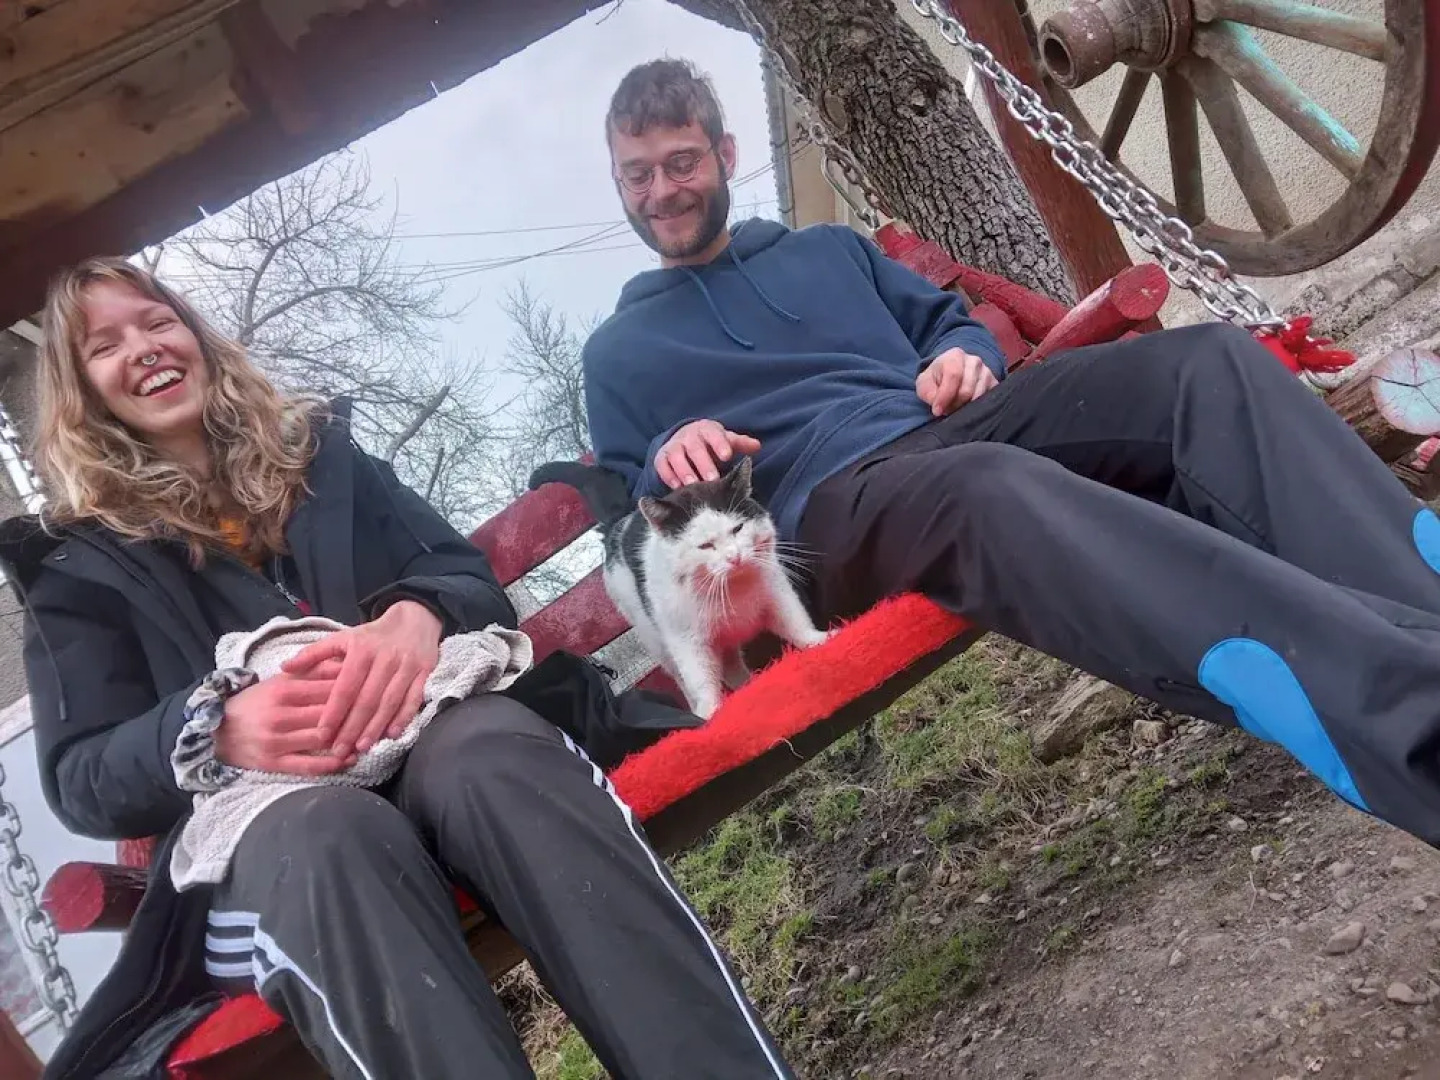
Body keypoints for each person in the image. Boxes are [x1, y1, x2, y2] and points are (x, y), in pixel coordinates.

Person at [582, 58, 1440, 849]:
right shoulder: (618, 350)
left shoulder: (826, 250)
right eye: (639, 174)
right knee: (989, 490)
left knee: (1205, 364)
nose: (663, 191)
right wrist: (667, 450)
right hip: (823, 508)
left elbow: (945, 326)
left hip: (945, 429)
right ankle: (1406, 720)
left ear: (725, 153)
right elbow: (624, 510)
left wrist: (969, 356)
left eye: (682, 162)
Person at [0, 257, 794, 1080]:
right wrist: (215, 728)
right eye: (105, 343)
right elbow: (82, 773)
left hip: (432, 742)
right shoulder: (77, 562)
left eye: (157, 320)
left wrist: (418, 617)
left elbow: (464, 578)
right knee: (334, 837)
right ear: (82, 391)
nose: (143, 346)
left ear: (194, 336)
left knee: (494, 754)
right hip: (277, 832)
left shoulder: (322, 458)